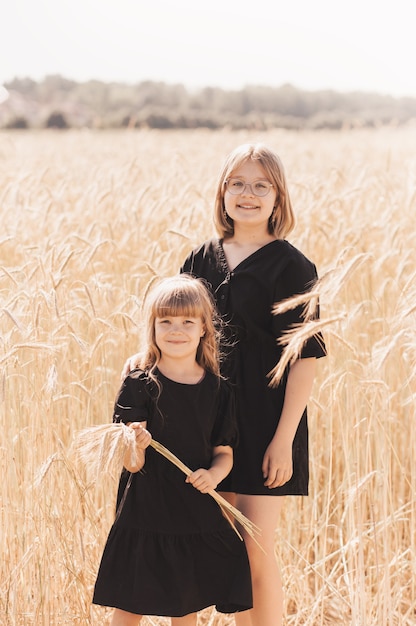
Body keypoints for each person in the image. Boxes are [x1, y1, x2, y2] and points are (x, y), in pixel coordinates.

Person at [123, 143, 326, 626]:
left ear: (279, 199)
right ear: (222, 192)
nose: (248, 194)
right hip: (201, 422)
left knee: (253, 549)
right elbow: (172, 332)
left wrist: (283, 440)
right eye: (237, 183)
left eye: (261, 185)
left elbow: (307, 360)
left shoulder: (294, 267)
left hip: (264, 424)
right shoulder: (199, 258)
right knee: (204, 549)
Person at [93, 275, 253, 626]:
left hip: (194, 508)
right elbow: (131, 465)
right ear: (152, 329)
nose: (175, 329)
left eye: (186, 322)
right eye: (165, 321)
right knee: (131, 600)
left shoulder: (218, 390)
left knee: (186, 601)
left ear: (203, 330)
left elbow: (224, 452)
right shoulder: (139, 384)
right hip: (146, 509)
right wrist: (136, 446)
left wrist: (213, 475)